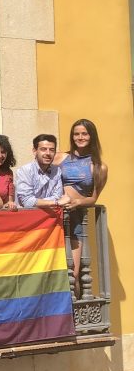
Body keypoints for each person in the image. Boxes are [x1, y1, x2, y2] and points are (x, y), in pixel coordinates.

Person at [55, 119, 108, 287]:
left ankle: (76, 313)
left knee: (74, 273)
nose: (80, 137)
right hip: (55, 217)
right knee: (56, 271)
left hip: (76, 219)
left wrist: (78, 201)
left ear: (91, 136)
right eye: (76, 134)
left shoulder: (100, 167)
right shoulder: (60, 158)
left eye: (84, 133)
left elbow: (93, 198)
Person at [15, 134, 72, 211]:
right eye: (43, 149)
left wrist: (36, 201)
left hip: (49, 219)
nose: (48, 153)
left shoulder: (57, 171)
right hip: (27, 218)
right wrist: (56, 203)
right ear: (35, 151)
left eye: (52, 150)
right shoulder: (24, 171)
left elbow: (58, 196)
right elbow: (27, 201)